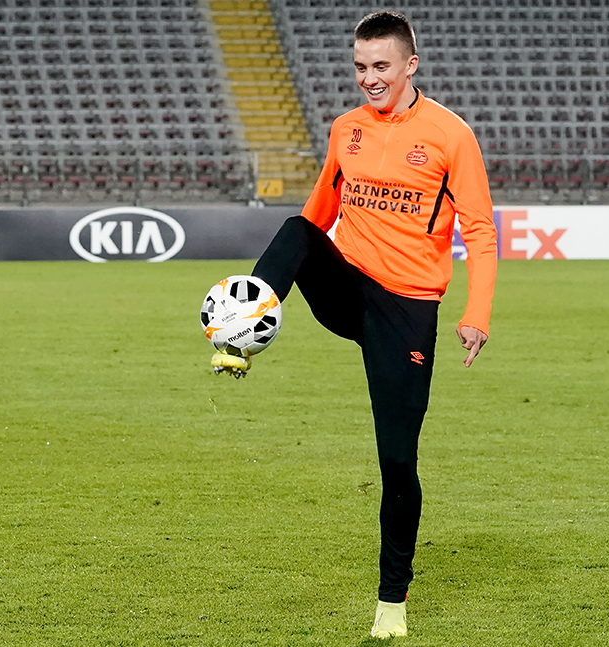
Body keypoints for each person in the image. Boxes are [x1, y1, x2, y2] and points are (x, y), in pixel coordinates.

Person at [210, 10, 497, 639]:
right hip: (349, 288)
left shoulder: (451, 135)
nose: (369, 78)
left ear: (410, 65)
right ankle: (239, 333)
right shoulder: (347, 129)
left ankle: (392, 600)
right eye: (361, 66)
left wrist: (476, 313)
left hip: (407, 311)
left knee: (396, 459)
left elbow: (479, 231)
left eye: (381, 66)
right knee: (297, 229)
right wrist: (276, 281)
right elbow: (320, 211)